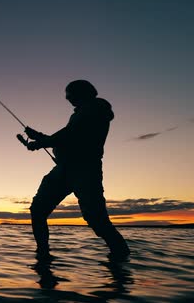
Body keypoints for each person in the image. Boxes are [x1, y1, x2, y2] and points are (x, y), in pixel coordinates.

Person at [21, 80, 130, 260]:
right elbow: (68, 137)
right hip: (63, 169)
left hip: (86, 170)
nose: (67, 98)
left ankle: (121, 255)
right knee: (38, 210)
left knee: (97, 220)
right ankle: (43, 254)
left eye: (69, 94)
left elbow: (68, 135)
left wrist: (41, 142)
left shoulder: (95, 108)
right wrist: (40, 138)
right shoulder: (82, 112)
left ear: (82, 92)